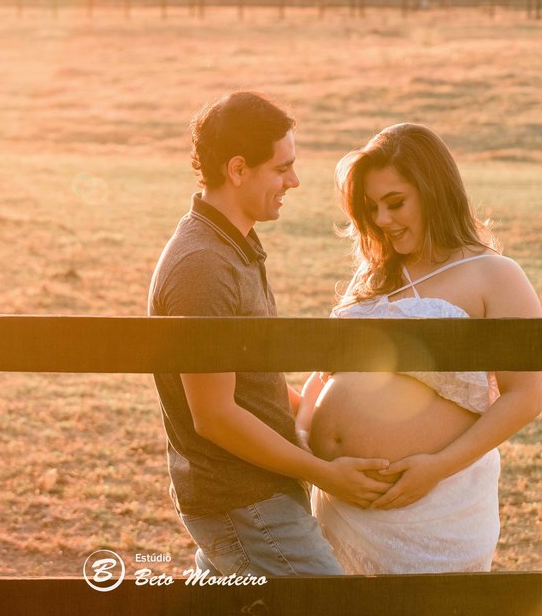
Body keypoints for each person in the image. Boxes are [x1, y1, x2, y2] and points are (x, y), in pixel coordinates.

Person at [148, 91, 391, 578]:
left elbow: (240, 379)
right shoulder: (204, 266)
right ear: (238, 169)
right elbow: (215, 415)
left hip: (254, 496)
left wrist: (312, 410)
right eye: (282, 168)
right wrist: (327, 476)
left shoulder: (230, 245)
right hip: (243, 502)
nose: (294, 181)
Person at [295, 122, 542, 574]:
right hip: (340, 506)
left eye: (396, 203)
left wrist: (436, 466)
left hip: (432, 510)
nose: (382, 220)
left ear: (435, 192)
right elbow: (336, 378)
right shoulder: (374, 276)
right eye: (372, 208)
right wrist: (310, 433)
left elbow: (525, 396)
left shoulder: (495, 275)